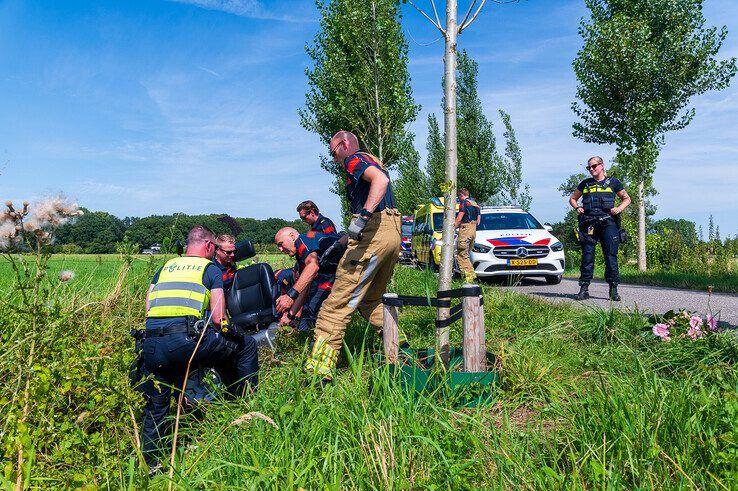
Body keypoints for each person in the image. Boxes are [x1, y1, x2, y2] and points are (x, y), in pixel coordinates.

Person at [138, 226, 258, 470]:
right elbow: (218, 318)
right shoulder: (210, 268)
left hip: (150, 345)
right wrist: (233, 333)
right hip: (186, 343)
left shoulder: (165, 268)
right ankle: (246, 407)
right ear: (208, 246)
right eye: (214, 248)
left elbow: (148, 308)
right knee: (245, 346)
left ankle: (150, 465)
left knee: (156, 407)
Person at [305, 130, 402, 384]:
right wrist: (342, 243)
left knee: (335, 306)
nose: (334, 158)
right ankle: (401, 351)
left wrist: (363, 216)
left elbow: (379, 181)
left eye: (333, 151)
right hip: (392, 235)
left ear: (344, 144)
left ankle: (319, 373)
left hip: (375, 232)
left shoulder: (354, 159)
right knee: (370, 300)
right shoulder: (374, 158)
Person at [569, 156, 631, 301]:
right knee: (587, 256)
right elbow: (572, 198)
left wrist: (619, 208)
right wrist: (577, 207)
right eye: (589, 167)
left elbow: (627, 198)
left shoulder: (613, 182)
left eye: (594, 166)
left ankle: (613, 289)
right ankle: (584, 289)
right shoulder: (585, 184)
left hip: (608, 223)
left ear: (602, 165)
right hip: (588, 223)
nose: (591, 169)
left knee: (610, 256)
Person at [274, 227, 340, 331]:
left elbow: (313, 267)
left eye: (281, 244)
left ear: (292, 236)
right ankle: (308, 338)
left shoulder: (303, 240)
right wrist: (291, 315)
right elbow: (305, 287)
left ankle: (318, 342)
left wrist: (289, 296)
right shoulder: (301, 258)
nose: (280, 249)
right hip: (338, 273)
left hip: (353, 265)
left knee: (320, 311)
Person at [454, 188, 481, 283]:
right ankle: (471, 277)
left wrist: (452, 228)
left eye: (458, 197)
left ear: (461, 195)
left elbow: (459, 217)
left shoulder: (464, 203)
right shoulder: (475, 204)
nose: (459, 199)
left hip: (465, 230)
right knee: (466, 255)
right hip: (473, 230)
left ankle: (469, 278)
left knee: (462, 255)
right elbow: (478, 220)